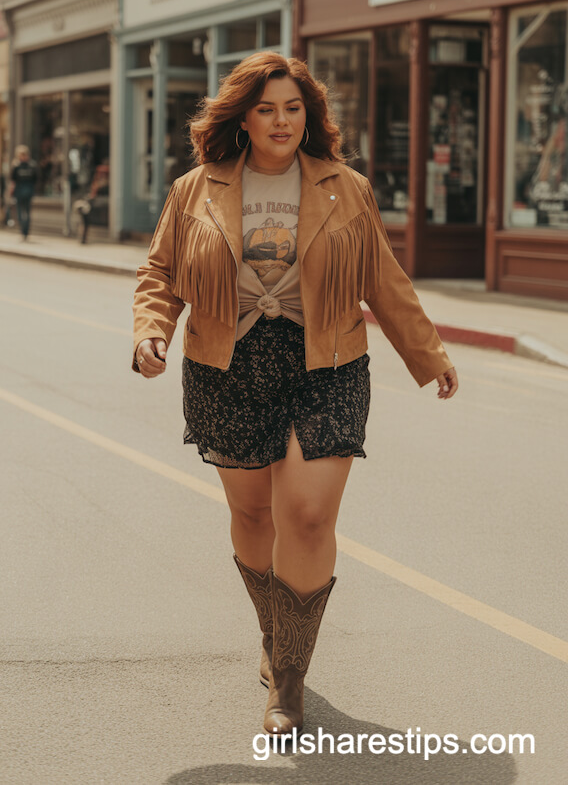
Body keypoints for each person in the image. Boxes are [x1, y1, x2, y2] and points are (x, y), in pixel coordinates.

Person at [132, 52, 458, 738]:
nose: (281, 121)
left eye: (292, 108)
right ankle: (273, 630)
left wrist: (428, 355)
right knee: (254, 516)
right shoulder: (196, 189)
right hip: (228, 365)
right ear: (242, 118)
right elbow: (160, 272)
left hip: (327, 363)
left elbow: (382, 278)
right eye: (266, 109)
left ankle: (288, 677)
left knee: (307, 517)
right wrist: (152, 332)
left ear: (308, 116)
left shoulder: (346, 188)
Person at [9, 145, 38, 240]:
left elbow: (13, 180)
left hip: (25, 191)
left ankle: (25, 231)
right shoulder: (19, 166)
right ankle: (24, 230)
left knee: (25, 212)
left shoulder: (19, 165)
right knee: (22, 212)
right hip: (22, 191)